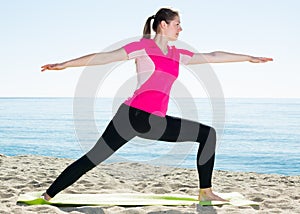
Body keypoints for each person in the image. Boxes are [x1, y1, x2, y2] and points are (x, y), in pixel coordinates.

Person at [41, 8, 273, 202]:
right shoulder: (142, 48)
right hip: (131, 116)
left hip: (153, 120)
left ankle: (206, 192)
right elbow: (102, 57)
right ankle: (48, 195)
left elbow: (213, 56)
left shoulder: (177, 54)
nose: (180, 29)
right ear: (163, 25)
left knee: (207, 135)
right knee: (94, 157)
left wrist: (249, 57)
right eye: (177, 24)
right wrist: (64, 64)